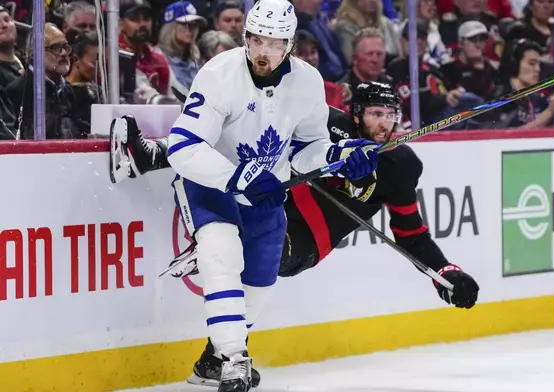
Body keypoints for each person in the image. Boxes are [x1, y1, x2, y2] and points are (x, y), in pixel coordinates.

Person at [109, 81, 480, 388]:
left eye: (389, 115)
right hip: (271, 207)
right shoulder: (327, 126)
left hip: (303, 243)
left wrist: (447, 273)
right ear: (355, 115)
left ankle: (217, 243)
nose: (383, 124)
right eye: (374, 114)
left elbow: (411, 234)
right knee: (241, 157)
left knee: (245, 247)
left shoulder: (400, 164)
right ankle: (214, 360)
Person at [160, 0, 380, 390]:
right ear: (245, 36)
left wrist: (338, 156)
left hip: (267, 193)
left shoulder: (308, 81)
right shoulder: (219, 74)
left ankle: (212, 361)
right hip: (213, 185)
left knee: (258, 287)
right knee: (221, 251)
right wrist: (236, 177)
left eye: (274, 43)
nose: (263, 51)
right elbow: (182, 147)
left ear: (290, 44)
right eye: (256, 39)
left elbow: (309, 145)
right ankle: (233, 360)